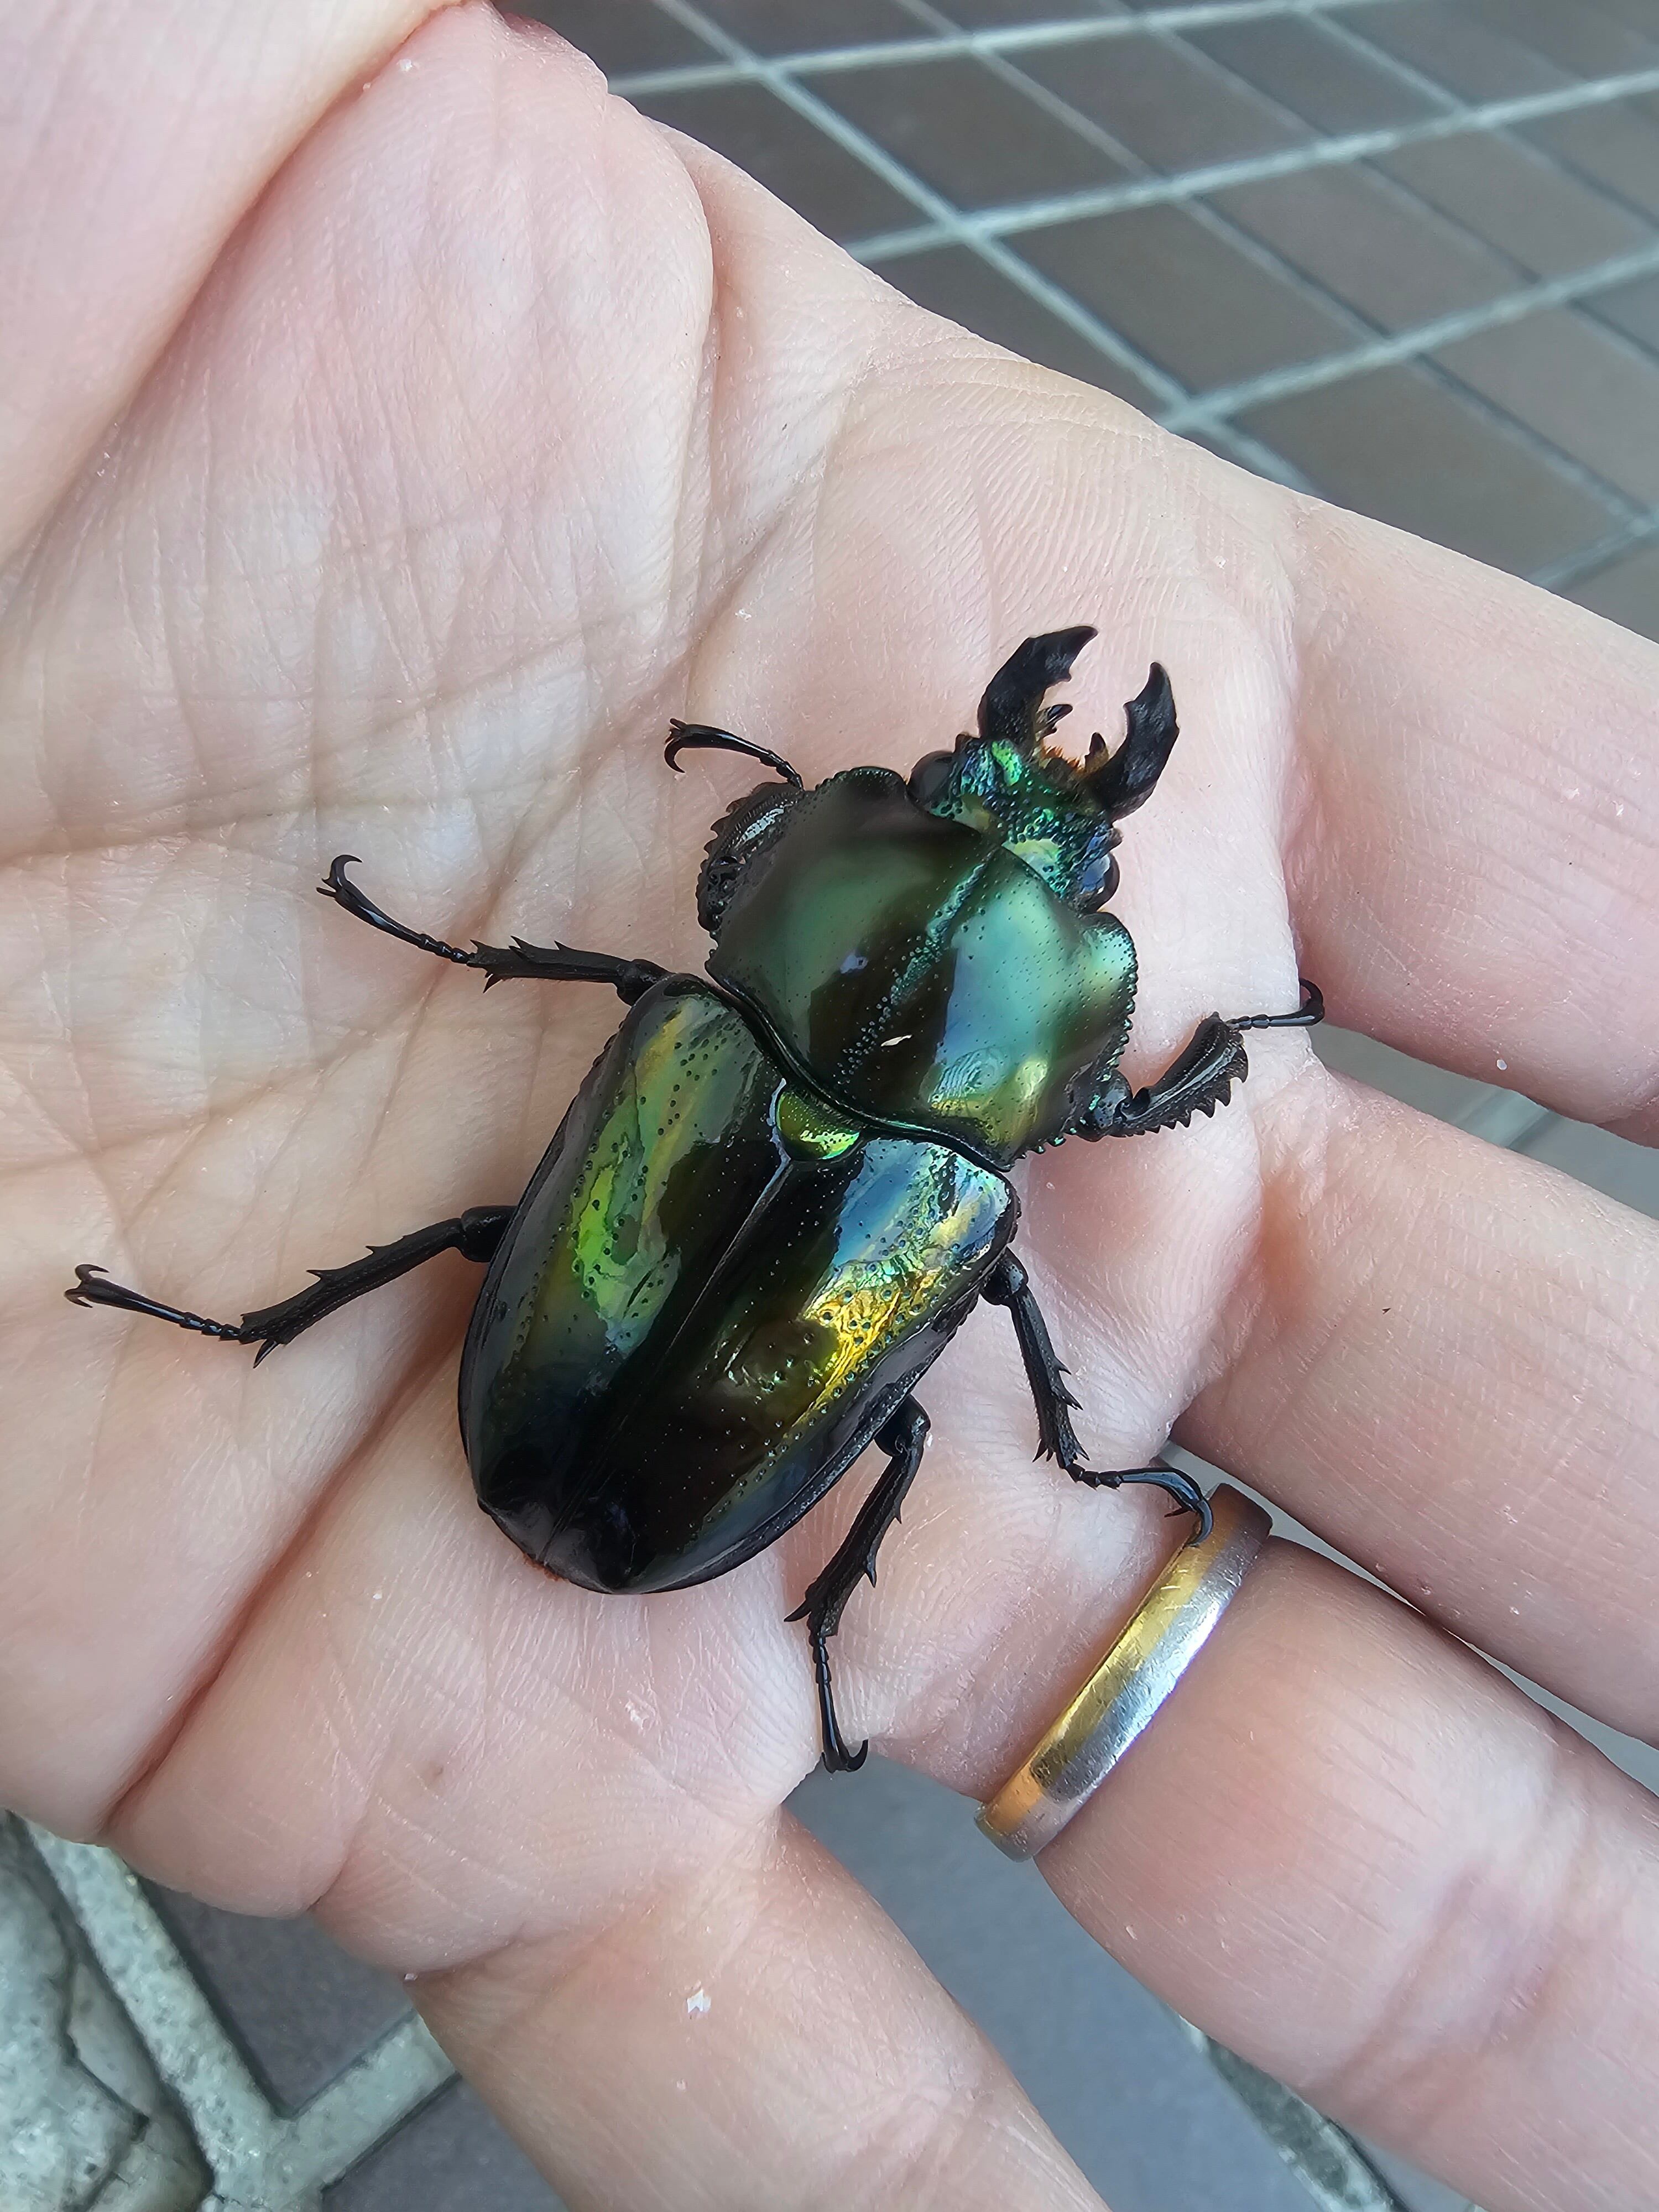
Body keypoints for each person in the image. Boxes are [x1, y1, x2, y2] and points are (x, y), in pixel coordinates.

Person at [2, 8, 1655, 2208]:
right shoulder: (963, 1174)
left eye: (1031, 821)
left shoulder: (708, 1017)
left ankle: (279, 1343)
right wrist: (1197, 1124)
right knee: (898, 1410)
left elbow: (739, 917)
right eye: (994, 805)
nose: (1021, 800)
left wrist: (785, 836)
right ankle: (791, 1592)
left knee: (551, 1237)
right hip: (668, 1457)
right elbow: (1098, 1141)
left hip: (605, 1424)